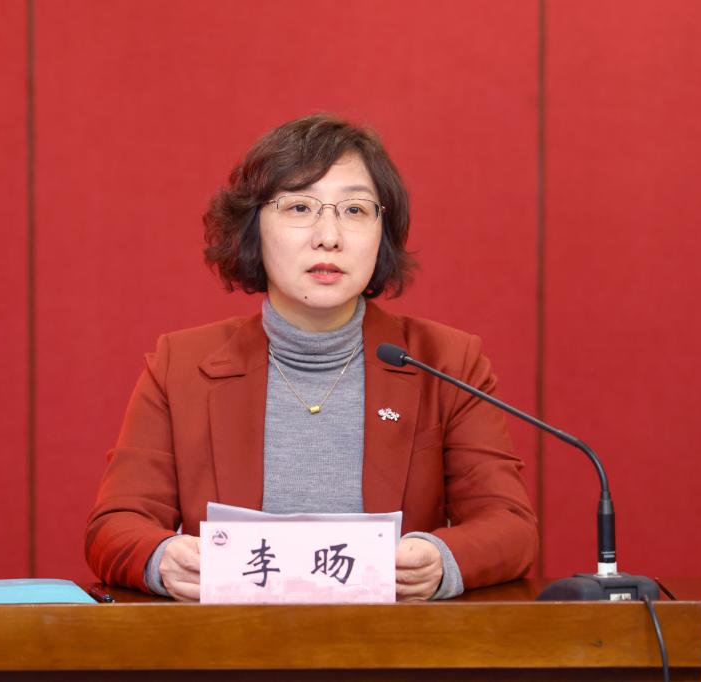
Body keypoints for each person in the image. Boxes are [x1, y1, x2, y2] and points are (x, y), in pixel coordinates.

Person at [85, 114, 538, 601]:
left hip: (394, 644)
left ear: (382, 233)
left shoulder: (445, 363)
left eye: (355, 210)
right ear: (252, 228)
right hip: (230, 641)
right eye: (300, 207)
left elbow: (510, 525)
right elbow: (116, 524)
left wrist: (441, 559)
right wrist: (161, 557)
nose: (329, 236)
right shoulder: (181, 366)